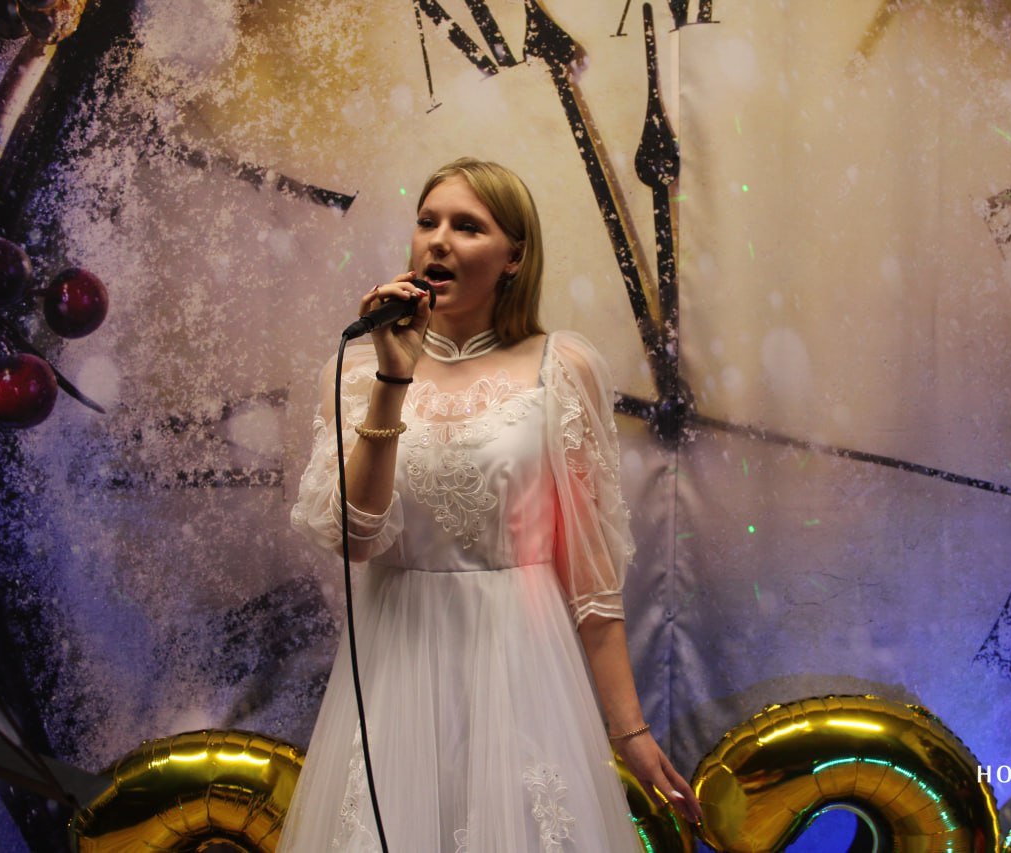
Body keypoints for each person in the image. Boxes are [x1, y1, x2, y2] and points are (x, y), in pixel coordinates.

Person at [280, 157, 702, 851]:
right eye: (428, 222)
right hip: (396, 674)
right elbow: (355, 537)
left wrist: (630, 730)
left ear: (514, 256)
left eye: (467, 226)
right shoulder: (356, 372)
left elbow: (593, 582)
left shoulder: (561, 367)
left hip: (521, 672)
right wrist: (392, 379)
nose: (439, 241)